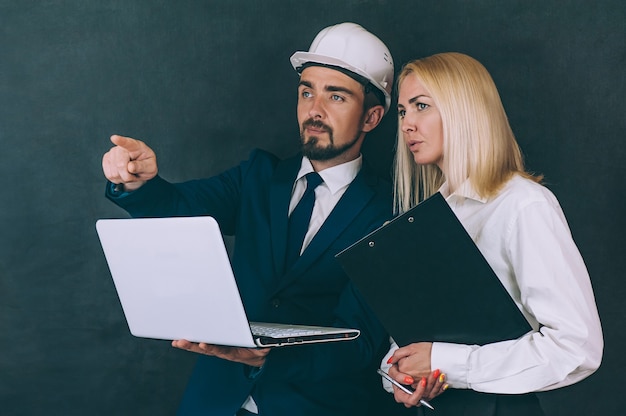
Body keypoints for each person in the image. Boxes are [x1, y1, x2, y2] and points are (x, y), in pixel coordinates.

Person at [101, 22, 441, 415]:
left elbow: (362, 344)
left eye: (336, 97)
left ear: (371, 117)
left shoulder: (393, 214)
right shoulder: (256, 177)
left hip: (314, 406)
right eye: (306, 92)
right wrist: (141, 183)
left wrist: (268, 357)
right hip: (215, 401)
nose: (315, 109)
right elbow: (177, 206)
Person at [382, 52, 603, 415]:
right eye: (403, 111)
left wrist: (448, 362)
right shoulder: (429, 216)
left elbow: (576, 346)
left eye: (421, 105)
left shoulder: (523, 205)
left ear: (464, 109)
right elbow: (415, 333)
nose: (407, 124)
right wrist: (400, 375)